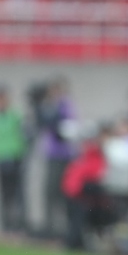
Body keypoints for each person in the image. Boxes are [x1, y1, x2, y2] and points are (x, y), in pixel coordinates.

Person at [38, 76, 77, 238]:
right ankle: (50, 226)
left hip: (62, 155)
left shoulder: (65, 106)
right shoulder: (49, 106)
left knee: (60, 193)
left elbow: (67, 129)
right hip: (52, 154)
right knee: (49, 192)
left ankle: (60, 228)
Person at [0, 84, 27, 234]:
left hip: (15, 157)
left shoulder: (15, 115)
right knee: (4, 194)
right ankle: (5, 224)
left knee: (17, 193)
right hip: (0, 158)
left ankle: (19, 224)